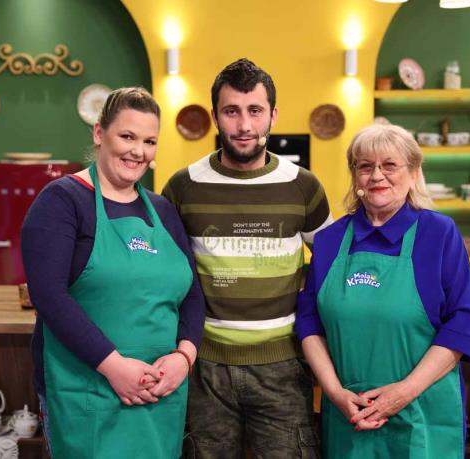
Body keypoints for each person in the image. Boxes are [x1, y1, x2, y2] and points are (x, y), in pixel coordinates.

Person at [21, 87, 205, 458]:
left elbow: (192, 294)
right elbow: (49, 297)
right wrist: (114, 367)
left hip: (160, 390)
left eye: (149, 141)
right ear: (98, 132)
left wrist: (184, 357)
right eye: (127, 136)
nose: (138, 151)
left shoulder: (163, 211)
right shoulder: (62, 201)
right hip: (88, 390)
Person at [162, 58, 332, 458]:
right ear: (215, 117)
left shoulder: (303, 186)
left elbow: (331, 265)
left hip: (283, 367)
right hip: (203, 367)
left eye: (255, 110)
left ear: (273, 115)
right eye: (231, 111)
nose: (244, 125)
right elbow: (164, 274)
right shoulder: (183, 187)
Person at [295, 124, 470, 458]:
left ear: (414, 173)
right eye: (365, 166)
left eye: (390, 165)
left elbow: (460, 326)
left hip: (422, 413)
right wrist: (334, 392)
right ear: (355, 176)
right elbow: (309, 323)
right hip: (351, 414)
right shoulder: (330, 240)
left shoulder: (439, 234)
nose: (377, 175)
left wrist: (404, 392)